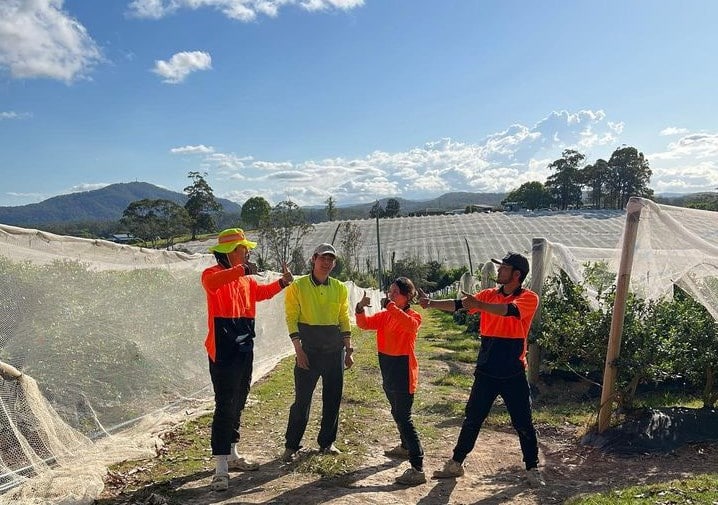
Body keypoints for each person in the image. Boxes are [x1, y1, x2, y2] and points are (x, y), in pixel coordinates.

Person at [419, 251, 545, 487]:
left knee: (523, 422)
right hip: (487, 369)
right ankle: (456, 464)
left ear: (516, 274)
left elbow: (509, 311)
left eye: (504, 268)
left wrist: (479, 304)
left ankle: (532, 467)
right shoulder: (488, 295)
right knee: (472, 418)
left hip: (513, 371)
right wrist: (431, 304)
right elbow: (460, 305)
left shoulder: (529, 298)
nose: (499, 271)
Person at [202, 228, 294, 492]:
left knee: (240, 399)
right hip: (222, 350)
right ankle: (220, 468)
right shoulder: (212, 275)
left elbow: (261, 293)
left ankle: (232, 453)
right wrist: (242, 270)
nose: (248, 252)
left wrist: (282, 283)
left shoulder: (246, 280)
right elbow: (213, 284)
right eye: (244, 249)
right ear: (230, 252)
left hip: (244, 347)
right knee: (224, 404)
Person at [282, 243, 353, 461]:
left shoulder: (340, 288)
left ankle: (327, 443)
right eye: (323, 258)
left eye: (331, 259)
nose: (327, 263)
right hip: (308, 351)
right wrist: (299, 350)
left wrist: (348, 349)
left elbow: (343, 318)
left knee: (332, 398)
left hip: (334, 351)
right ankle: (291, 446)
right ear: (314, 258)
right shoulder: (298, 286)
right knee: (302, 400)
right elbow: (291, 318)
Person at [355, 277, 426, 486]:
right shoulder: (386, 316)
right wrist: (360, 308)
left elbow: (409, 327)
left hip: (404, 373)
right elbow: (364, 324)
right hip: (388, 371)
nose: (390, 295)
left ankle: (417, 467)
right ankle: (405, 447)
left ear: (408, 296)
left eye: (396, 292)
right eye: (390, 292)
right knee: (396, 412)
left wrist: (391, 307)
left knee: (404, 418)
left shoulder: (413, 316)